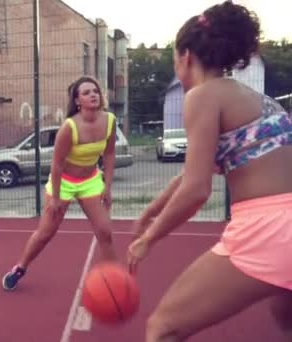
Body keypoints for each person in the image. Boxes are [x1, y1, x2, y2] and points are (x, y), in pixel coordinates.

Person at [126, 2, 292, 341]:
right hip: (283, 223)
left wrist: (148, 239)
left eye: (174, 58)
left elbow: (196, 190)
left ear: (185, 57)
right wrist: (150, 212)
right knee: (284, 314)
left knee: (161, 328)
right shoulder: (259, 100)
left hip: (269, 229)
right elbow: (188, 176)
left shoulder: (202, 96)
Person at [2, 76, 118, 291]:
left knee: (105, 232)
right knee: (46, 233)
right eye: (86, 92)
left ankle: (113, 281)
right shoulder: (69, 127)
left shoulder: (109, 120)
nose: (93, 94)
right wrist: (55, 198)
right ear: (77, 101)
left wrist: (107, 187)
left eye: (95, 91)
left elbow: (110, 154)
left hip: (91, 180)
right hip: (63, 182)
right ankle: (20, 267)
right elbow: (56, 165)